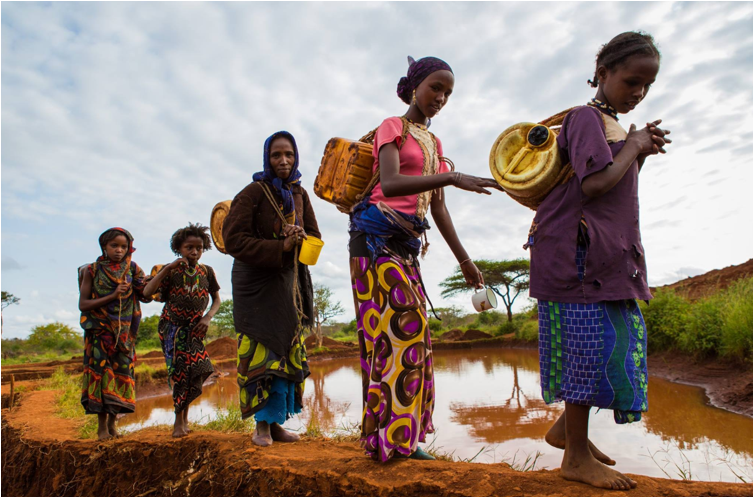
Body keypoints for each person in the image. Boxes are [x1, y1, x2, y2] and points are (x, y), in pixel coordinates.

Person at [526, 32, 671, 490]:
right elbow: (592, 186)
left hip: (604, 255)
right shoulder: (585, 117)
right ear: (603, 74)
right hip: (575, 256)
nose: (639, 93)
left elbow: (615, 182)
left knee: (608, 341)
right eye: (631, 81)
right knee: (587, 348)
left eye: (647, 86)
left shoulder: (613, 126)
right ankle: (574, 457)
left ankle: (570, 434)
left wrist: (638, 148)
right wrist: (634, 145)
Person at [349, 56, 501, 462]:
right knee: (401, 330)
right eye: (436, 87)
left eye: (448, 93)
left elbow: (439, 210)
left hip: (407, 247)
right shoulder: (392, 127)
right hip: (374, 240)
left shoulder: (434, 144)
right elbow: (392, 182)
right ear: (416, 85)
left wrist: (466, 262)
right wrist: (452, 176)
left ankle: (404, 437)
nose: (441, 97)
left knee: (417, 341)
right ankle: (387, 437)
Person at [223, 131, 321, 447]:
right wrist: (279, 245)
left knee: (287, 350)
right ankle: (260, 427)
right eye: (277, 155)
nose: (283, 160)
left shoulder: (300, 193)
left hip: (288, 282)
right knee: (262, 352)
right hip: (256, 285)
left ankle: (276, 423)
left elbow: (314, 234)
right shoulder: (253, 192)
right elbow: (234, 240)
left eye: (289, 155)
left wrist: (300, 236)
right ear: (267, 158)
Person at [142, 223, 221, 438]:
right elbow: (148, 292)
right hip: (173, 329)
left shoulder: (207, 272)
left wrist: (207, 318)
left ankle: (184, 419)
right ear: (179, 248)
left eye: (199, 247)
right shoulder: (171, 270)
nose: (194, 252)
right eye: (189, 247)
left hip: (195, 331)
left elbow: (217, 300)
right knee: (179, 374)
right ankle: (179, 423)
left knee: (200, 368)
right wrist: (167, 269)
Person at [79, 227, 151, 440]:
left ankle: (113, 425)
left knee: (121, 377)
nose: (119, 250)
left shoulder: (133, 269)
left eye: (123, 246)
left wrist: (159, 277)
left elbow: (145, 294)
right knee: (101, 378)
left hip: (125, 336)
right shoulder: (92, 271)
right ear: (104, 247)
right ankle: (101, 428)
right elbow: (84, 304)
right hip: (100, 334)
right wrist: (112, 295)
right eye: (114, 246)